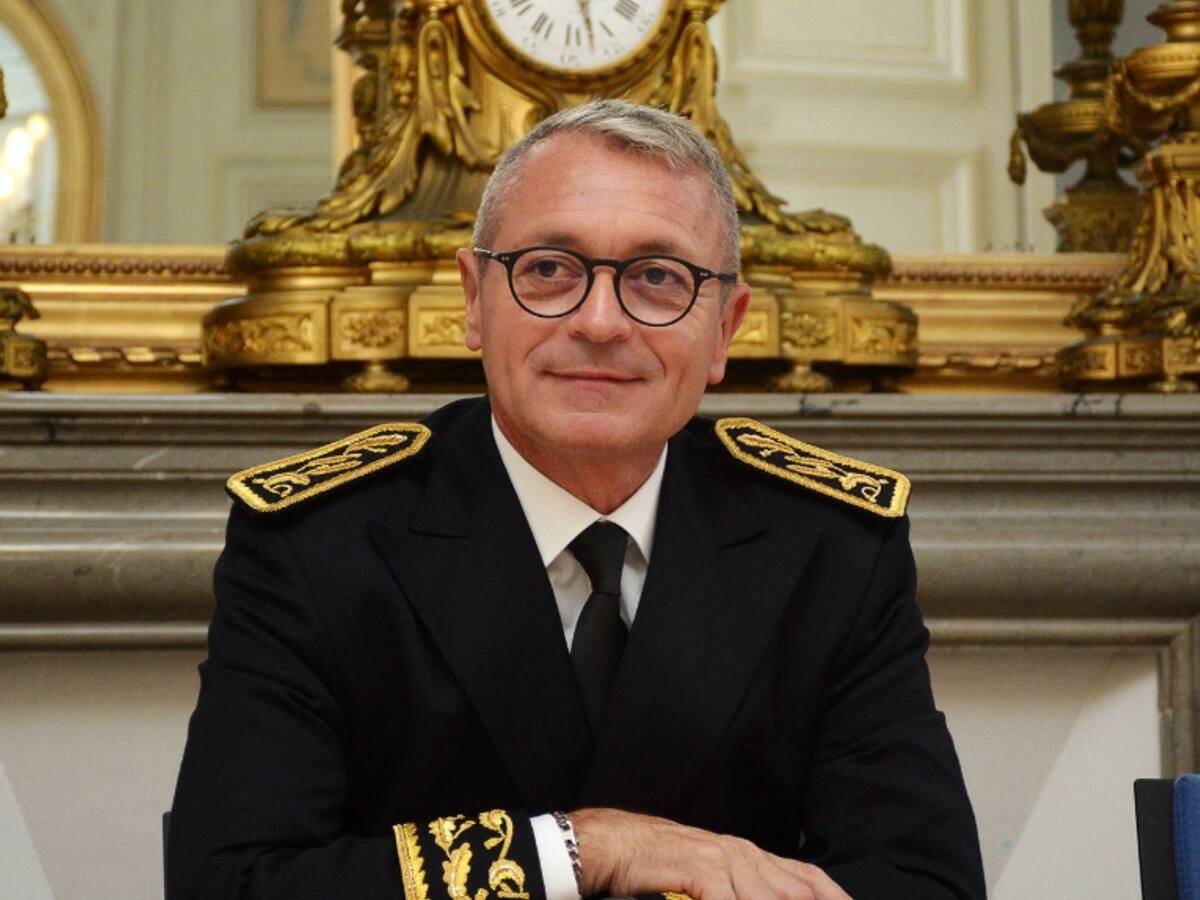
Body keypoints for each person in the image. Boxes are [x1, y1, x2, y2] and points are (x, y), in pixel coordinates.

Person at [169, 100, 985, 900]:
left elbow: (925, 882)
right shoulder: (320, 545)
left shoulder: (831, 548)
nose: (599, 322)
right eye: (549, 270)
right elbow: (231, 882)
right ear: (473, 299)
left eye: (658, 278)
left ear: (725, 329)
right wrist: (585, 847)